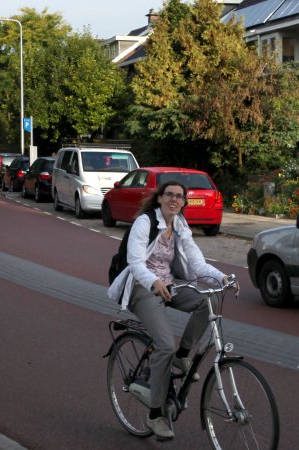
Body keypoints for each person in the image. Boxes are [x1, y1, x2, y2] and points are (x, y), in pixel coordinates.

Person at [107, 180, 239, 440]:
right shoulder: (144, 223)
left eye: (179, 197)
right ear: (159, 198)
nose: (174, 200)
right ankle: (155, 414)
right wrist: (154, 283)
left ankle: (183, 354)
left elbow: (197, 264)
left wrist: (222, 278)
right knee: (164, 343)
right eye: (169, 195)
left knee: (206, 302)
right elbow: (135, 262)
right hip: (140, 286)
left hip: (168, 284)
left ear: (183, 202)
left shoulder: (180, 226)